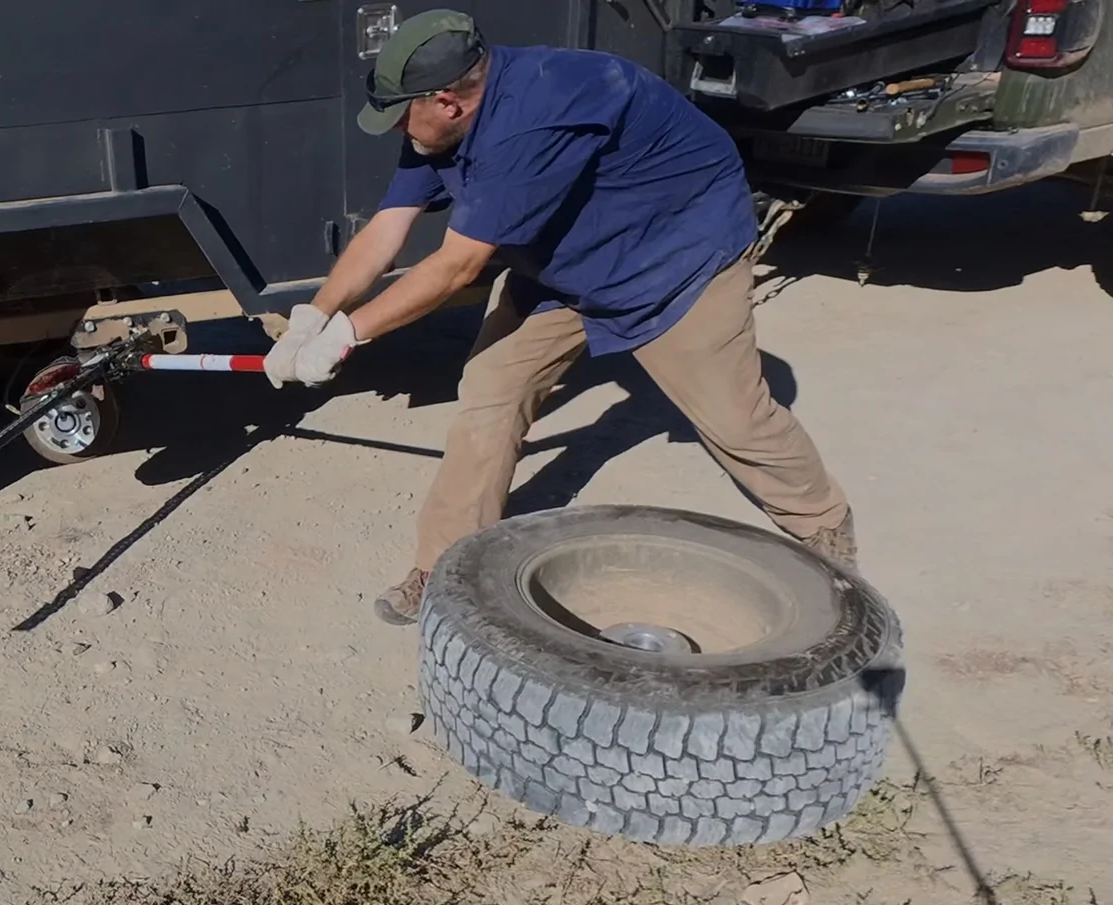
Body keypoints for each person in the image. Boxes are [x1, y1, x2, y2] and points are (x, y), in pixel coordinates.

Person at [262, 9, 858, 627]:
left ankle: (824, 526)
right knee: (492, 394)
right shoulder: (436, 126)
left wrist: (347, 336)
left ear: (447, 102)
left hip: (672, 261)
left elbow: (455, 268)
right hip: (560, 264)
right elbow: (389, 226)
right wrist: (316, 313)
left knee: (736, 419)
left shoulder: (533, 119)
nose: (393, 131)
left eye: (400, 113)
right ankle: (445, 564)